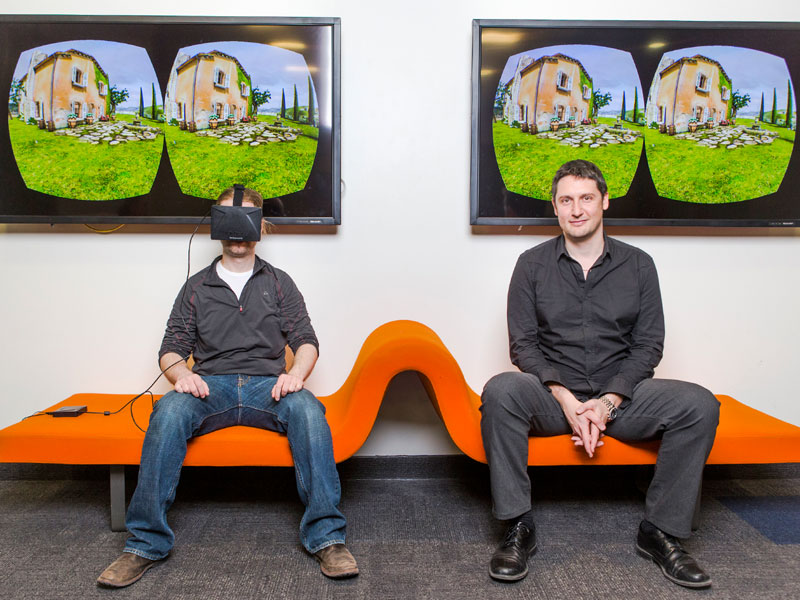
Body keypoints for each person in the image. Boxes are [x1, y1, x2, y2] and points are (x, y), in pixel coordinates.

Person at [97, 186, 357, 588]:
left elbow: (306, 340)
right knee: (167, 412)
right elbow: (170, 349)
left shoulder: (279, 282)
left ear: (261, 228)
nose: (238, 234)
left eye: (247, 222)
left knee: (308, 410)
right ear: (216, 225)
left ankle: (328, 539)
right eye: (228, 221)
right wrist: (181, 375)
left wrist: (297, 375)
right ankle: (144, 544)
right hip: (209, 387)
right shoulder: (196, 288)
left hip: (269, 388)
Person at [480, 160, 719, 588]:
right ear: (555, 207)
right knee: (500, 390)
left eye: (586, 198)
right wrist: (567, 400)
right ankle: (518, 526)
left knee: (699, 404)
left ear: (604, 202)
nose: (577, 209)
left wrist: (608, 403)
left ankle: (661, 531)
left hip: (623, 399)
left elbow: (649, 346)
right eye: (566, 200)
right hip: (552, 398)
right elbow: (524, 346)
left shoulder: (639, 265)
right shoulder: (530, 265)